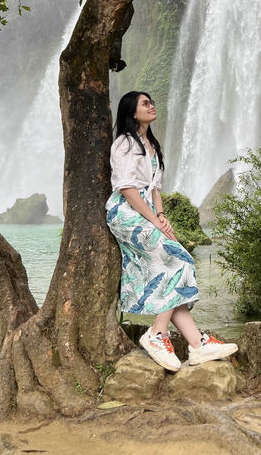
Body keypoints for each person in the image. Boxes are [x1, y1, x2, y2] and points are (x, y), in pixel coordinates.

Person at [106, 90, 238, 372]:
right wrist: (154, 220)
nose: (151, 106)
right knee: (178, 261)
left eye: (151, 102)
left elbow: (154, 189)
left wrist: (162, 216)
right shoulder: (125, 143)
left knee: (177, 264)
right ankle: (156, 334)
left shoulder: (150, 144)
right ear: (132, 112)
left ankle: (197, 344)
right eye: (145, 103)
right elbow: (128, 188)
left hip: (147, 212)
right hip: (126, 213)